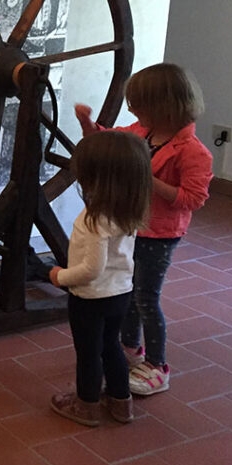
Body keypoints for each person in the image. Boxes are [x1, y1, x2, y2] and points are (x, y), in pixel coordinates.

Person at [75, 63, 213, 396]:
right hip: (134, 227)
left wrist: (148, 181)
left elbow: (193, 198)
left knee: (146, 298)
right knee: (127, 290)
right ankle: (128, 347)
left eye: (138, 104)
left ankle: (157, 365)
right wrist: (87, 125)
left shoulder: (194, 152)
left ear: (164, 106)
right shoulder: (142, 132)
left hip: (161, 233)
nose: (132, 110)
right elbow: (111, 143)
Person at [48, 130, 153, 426]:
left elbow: (91, 270)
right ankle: (121, 403)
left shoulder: (92, 220)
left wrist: (60, 277)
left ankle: (87, 405)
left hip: (90, 297)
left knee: (88, 354)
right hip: (120, 293)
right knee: (111, 346)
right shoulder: (128, 211)